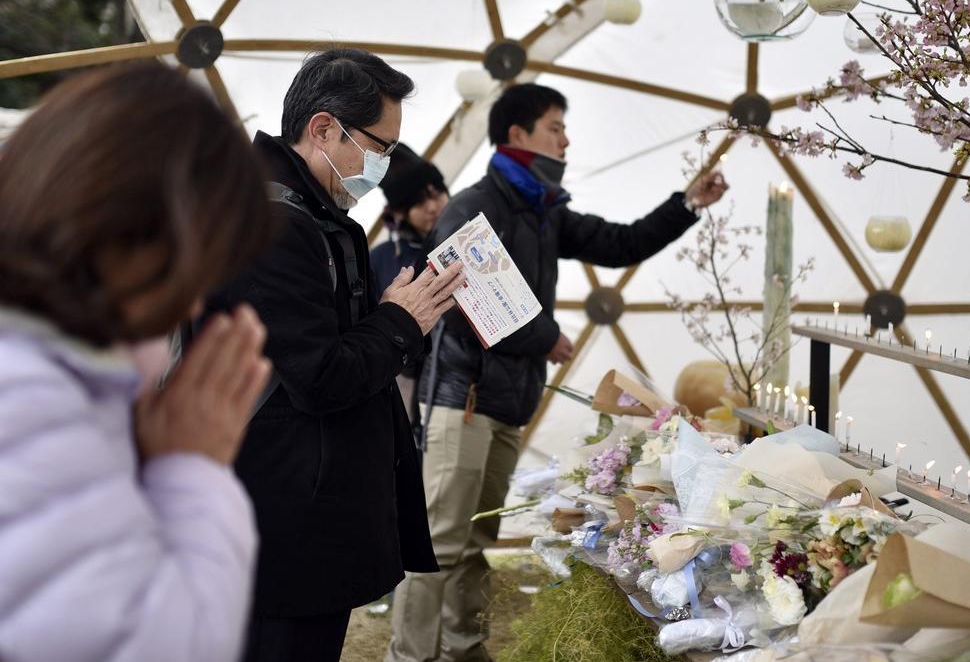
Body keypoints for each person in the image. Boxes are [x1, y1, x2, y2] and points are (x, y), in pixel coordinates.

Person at [389, 83, 729, 662]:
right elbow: (473, 302)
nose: (566, 139)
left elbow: (620, 242)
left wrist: (686, 204)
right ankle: (411, 656)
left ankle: (463, 648)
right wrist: (549, 336)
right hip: (462, 402)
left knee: (475, 542)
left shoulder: (545, 211)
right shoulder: (473, 208)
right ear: (517, 135)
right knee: (440, 544)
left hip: (507, 405)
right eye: (555, 126)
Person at [0, 61, 276, 661]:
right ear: (131, 231)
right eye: (194, 264)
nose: (195, 299)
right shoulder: (32, 399)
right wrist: (192, 468)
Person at [201, 49, 466, 662]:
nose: (385, 164)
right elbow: (319, 377)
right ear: (323, 129)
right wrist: (403, 321)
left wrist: (392, 316)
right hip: (286, 520)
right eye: (380, 146)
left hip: (307, 513)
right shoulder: (273, 223)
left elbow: (324, 345)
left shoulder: (314, 216)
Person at [370, 147, 451, 418]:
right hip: (404, 382)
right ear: (401, 212)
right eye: (418, 202)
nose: (433, 206)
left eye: (437, 193)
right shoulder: (382, 259)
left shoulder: (467, 244)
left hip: (459, 384)